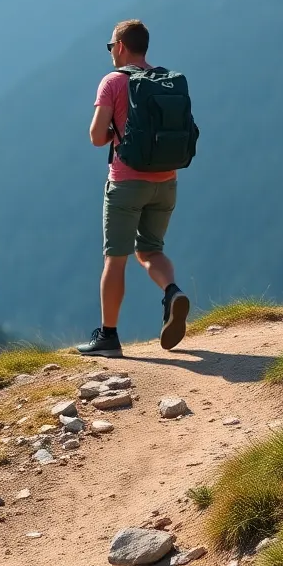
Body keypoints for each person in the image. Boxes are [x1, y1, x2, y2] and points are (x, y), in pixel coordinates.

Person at [77, 19, 190, 358]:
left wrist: (116, 131)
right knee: (151, 250)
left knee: (116, 259)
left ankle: (108, 336)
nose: (111, 52)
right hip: (167, 180)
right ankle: (172, 291)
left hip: (126, 182)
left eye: (111, 46)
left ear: (122, 46)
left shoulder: (113, 81)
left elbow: (97, 137)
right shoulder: (167, 80)